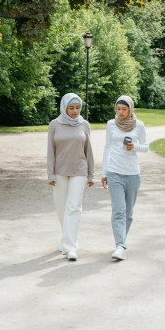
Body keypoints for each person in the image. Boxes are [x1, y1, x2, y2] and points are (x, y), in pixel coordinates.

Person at [47, 93, 94, 261]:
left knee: (74, 207)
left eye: (78, 108)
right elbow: (50, 151)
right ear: (64, 108)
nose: (75, 111)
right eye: (71, 108)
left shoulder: (84, 125)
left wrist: (90, 174)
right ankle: (65, 239)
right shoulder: (54, 124)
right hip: (59, 171)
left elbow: (89, 150)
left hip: (79, 170)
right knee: (61, 207)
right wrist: (50, 173)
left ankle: (71, 247)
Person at [101, 95, 148, 261]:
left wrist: (134, 147)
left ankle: (121, 242)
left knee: (128, 213)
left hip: (133, 174)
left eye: (124, 109)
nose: (120, 112)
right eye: (118, 109)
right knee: (118, 211)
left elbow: (146, 147)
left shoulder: (139, 125)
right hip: (114, 172)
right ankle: (120, 246)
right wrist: (104, 172)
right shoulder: (111, 124)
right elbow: (107, 147)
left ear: (130, 109)